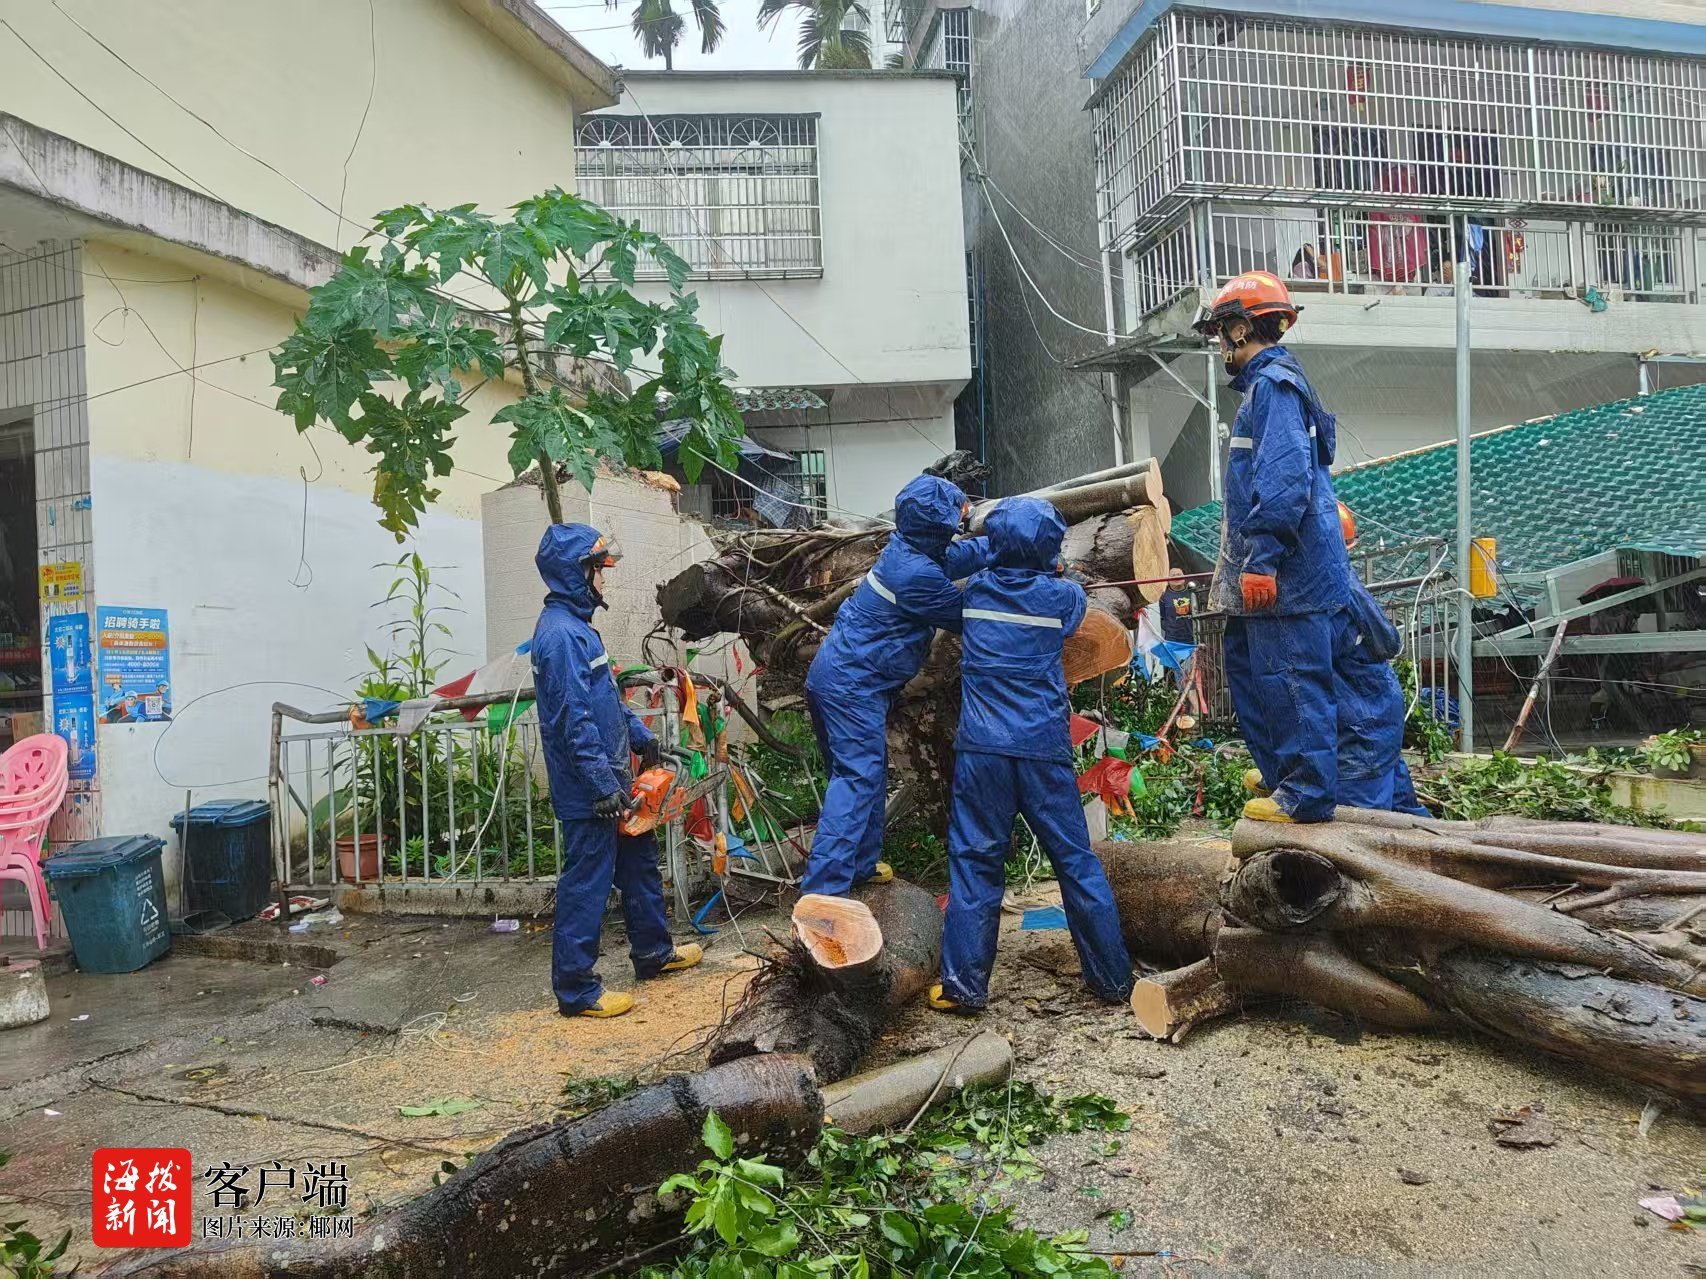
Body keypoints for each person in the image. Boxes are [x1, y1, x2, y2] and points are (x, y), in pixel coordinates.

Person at [931, 498, 1132, 1012]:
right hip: (1043, 749)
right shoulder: (1062, 599)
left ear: (993, 544)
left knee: (976, 864)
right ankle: (1112, 981)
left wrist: (985, 552)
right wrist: (1054, 570)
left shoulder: (973, 592)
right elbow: (1069, 608)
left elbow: (956, 565)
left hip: (983, 752)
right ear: (1051, 550)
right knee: (1075, 862)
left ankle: (964, 987)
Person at [1193, 271, 1351, 824]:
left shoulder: (1275, 387)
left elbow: (1284, 482)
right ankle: (1284, 770)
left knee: (1290, 677)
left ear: (1240, 329)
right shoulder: (1268, 388)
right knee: (1249, 668)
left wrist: (1262, 560)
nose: (1219, 346)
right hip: (1275, 566)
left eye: (1221, 333)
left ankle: (1306, 792)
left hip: (1287, 571)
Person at [532, 523, 701, 1019]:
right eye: (599, 571)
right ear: (576, 574)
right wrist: (602, 785)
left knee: (640, 863)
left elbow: (605, 699)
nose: (605, 580)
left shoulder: (581, 629)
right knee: (587, 882)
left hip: (612, 778)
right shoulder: (561, 637)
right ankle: (577, 990)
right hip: (592, 789)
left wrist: (641, 737)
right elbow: (572, 719)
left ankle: (653, 952)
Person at [801, 474, 991, 897]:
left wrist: (1001, 547)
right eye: (956, 516)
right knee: (857, 777)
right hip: (851, 687)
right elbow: (967, 616)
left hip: (843, 680)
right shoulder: (915, 575)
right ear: (938, 525)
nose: (962, 522)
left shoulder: (910, 550)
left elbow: (956, 558)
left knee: (860, 774)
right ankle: (822, 893)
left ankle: (859, 866)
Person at [1332, 578, 1430, 815]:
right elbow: (1389, 640)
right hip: (1378, 724)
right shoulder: (1342, 579)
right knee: (1407, 818)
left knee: (1366, 832)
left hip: (1359, 739)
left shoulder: (1321, 591)